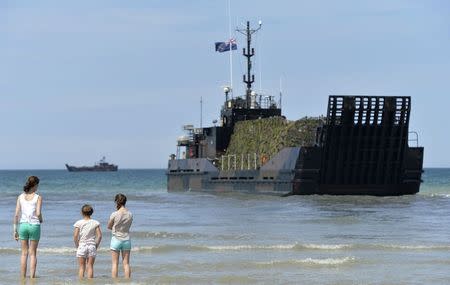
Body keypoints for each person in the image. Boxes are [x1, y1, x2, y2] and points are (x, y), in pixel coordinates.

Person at [13, 176, 43, 278]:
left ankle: (22, 278)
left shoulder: (20, 197)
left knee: (24, 253)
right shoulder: (38, 197)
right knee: (33, 253)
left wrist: (15, 231)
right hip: (34, 225)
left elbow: (16, 214)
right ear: (35, 185)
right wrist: (41, 219)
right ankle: (32, 278)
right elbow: (38, 213)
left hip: (23, 225)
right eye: (37, 185)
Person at [107, 193, 133, 278]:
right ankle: (128, 282)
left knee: (115, 264)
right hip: (126, 239)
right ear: (125, 202)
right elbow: (128, 226)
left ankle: (115, 282)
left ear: (116, 202)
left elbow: (109, 226)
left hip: (116, 239)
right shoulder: (130, 214)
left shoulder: (114, 214)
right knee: (126, 264)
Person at [73, 204, 102, 279]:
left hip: (82, 245)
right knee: (90, 266)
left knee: (81, 267)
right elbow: (99, 235)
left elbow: (75, 236)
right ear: (91, 212)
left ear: (82, 213)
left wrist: (77, 245)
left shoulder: (78, 223)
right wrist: (96, 245)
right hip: (92, 245)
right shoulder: (95, 222)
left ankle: (81, 282)